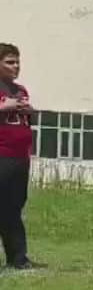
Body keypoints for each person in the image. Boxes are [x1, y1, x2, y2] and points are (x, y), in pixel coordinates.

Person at [0, 43, 35, 271]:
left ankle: (18, 258)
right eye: (10, 62)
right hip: (1, 156)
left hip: (20, 158)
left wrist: (28, 110)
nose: (16, 66)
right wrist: (4, 106)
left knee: (14, 206)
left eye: (17, 61)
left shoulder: (20, 90)